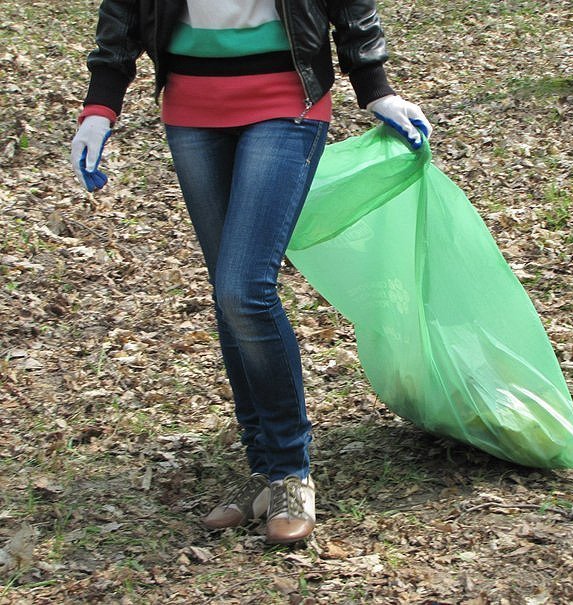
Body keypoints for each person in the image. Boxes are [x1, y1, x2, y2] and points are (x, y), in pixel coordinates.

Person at [70, 0, 431, 545]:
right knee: (227, 293)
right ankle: (264, 471)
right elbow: (123, 15)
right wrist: (100, 106)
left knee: (244, 290)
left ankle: (290, 472)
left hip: (286, 101)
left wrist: (374, 84)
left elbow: (350, 7)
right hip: (191, 110)